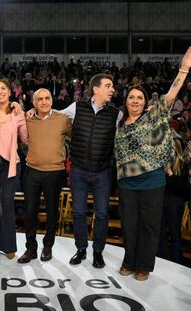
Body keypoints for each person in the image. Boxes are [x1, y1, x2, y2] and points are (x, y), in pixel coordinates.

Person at [114, 47, 191, 281]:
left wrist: (184, 69)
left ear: (145, 101)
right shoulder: (120, 124)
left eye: (139, 97)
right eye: (131, 97)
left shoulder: (153, 115)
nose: (135, 101)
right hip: (127, 182)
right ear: (126, 101)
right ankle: (129, 260)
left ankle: (143, 266)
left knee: (148, 226)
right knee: (129, 225)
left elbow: (171, 94)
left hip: (152, 182)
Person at [62, 74, 121, 269]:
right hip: (78, 170)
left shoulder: (116, 114)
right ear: (96, 89)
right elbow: (53, 115)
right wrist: (28, 111)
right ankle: (81, 249)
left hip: (102, 172)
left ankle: (98, 251)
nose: (112, 89)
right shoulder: (76, 107)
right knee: (78, 212)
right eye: (108, 86)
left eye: (112, 86)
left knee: (102, 213)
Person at [17, 88, 71, 264]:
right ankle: (30, 248)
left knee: (51, 212)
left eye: (47, 98)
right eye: (39, 99)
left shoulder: (63, 120)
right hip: (31, 171)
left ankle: (48, 246)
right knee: (30, 212)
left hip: (55, 172)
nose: (44, 102)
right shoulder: (28, 118)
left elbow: (75, 138)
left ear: (52, 101)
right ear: (34, 103)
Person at [0, 78, 28, 260]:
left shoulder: (18, 113)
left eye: (3, 88)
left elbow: (25, 138)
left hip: (11, 163)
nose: (0, 92)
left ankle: (9, 247)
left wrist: (25, 113)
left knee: (7, 204)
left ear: (10, 91)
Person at [157, 137, 187, 264]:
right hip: (162, 200)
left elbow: (182, 188)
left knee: (174, 233)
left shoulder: (182, 164)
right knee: (160, 233)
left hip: (175, 202)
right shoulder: (162, 162)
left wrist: (170, 173)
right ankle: (161, 260)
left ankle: (176, 262)